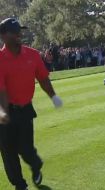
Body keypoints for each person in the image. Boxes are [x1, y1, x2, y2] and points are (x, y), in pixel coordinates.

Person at [0, 18, 63, 190]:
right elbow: (1, 90)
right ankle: (20, 185)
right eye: (15, 32)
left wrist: (53, 96)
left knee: (26, 149)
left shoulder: (33, 54)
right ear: (4, 36)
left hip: (25, 110)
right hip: (4, 110)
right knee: (8, 152)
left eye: (20, 31)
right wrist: (3, 112)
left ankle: (35, 164)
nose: (20, 34)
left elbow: (43, 78)